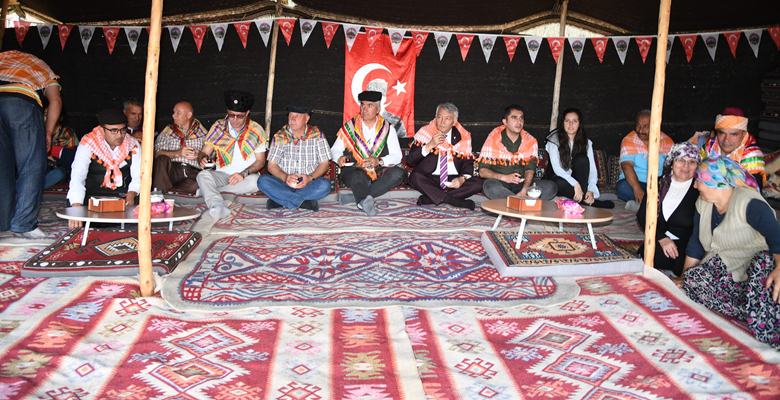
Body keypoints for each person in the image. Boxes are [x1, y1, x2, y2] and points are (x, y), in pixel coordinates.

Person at [682, 156, 779, 349]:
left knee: (763, 266)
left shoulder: (749, 204)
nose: (695, 186)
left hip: (754, 269)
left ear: (716, 183)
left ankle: (759, 311)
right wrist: (685, 277)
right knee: (693, 281)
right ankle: (749, 307)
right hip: (725, 268)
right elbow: (696, 243)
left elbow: (776, 237)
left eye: (699, 180)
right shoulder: (703, 203)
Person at [0, 50, 62, 238]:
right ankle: (23, 224)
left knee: (2, 167)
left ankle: (3, 222)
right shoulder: (41, 67)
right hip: (21, 102)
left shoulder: (2, 59)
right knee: (32, 164)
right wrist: (48, 132)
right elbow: (55, 101)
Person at [331, 90, 406, 216]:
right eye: (363, 105)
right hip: (355, 170)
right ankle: (363, 198)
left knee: (398, 173)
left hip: (377, 170)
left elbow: (397, 156)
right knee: (357, 176)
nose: (364, 109)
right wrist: (339, 158)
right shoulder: (350, 127)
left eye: (369, 105)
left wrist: (379, 161)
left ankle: (359, 198)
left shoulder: (388, 129)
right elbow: (335, 150)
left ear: (378, 108)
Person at [197, 90, 267, 220]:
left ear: (247, 113)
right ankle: (218, 206)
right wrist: (202, 159)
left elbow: (260, 162)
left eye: (239, 116)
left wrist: (243, 174)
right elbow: (204, 152)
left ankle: (211, 192)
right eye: (231, 115)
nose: (234, 119)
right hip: (222, 174)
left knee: (257, 182)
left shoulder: (256, 130)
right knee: (202, 176)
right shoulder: (218, 126)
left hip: (245, 176)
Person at [66, 109, 141, 229]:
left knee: (144, 206)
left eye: (122, 130)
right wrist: (76, 208)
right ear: (102, 130)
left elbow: (139, 176)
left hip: (122, 197)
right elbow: (77, 177)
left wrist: (132, 194)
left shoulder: (133, 144)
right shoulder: (88, 143)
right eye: (113, 131)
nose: (120, 135)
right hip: (92, 197)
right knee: (80, 214)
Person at [637, 142, 700, 276]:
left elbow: (700, 231)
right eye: (681, 160)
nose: (686, 166)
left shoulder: (700, 189)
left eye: (692, 162)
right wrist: (662, 238)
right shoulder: (659, 183)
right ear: (672, 162)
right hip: (659, 240)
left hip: (686, 247)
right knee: (646, 254)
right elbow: (643, 216)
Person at [406, 102, 482, 210]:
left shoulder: (463, 136)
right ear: (435, 117)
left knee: (478, 183)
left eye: (447, 118)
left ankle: (432, 198)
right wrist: (430, 145)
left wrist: (462, 179)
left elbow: (468, 163)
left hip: (453, 179)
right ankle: (455, 201)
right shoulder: (425, 132)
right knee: (415, 177)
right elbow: (410, 161)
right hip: (430, 178)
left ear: (454, 121)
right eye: (439, 117)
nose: (442, 122)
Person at [257, 106, 331, 211]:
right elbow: (271, 166)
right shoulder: (280, 136)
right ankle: (303, 202)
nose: (292, 119)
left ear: (307, 118)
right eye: (290, 116)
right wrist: (285, 177)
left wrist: (310, 178)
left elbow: (324, 163)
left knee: (325, 185)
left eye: (297, 116)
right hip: (284, 183)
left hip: (309, 183)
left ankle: (280, 200)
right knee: (262, 181)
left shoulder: (317, 135)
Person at [479, 105, 556, 201]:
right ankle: (521, 202)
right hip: (500, 183)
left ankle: (512, 202)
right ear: (505, 122)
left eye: (521, 118)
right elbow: (482, 171)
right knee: (489, 186)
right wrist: (504, 177)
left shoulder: (530, 141)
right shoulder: (493, 138)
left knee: (551, 187)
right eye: (514, 118)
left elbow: (530, 170)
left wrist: (525, 189)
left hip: (523, 184)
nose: (519, 122)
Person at [545, 108, 613, 208]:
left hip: (579, 183)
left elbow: (592, 170)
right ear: (562, 123)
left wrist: (591, 190)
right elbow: (557, 169)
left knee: (582, 159)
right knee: (558, 184)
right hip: (559, 178)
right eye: (567, 121)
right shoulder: (554, 140)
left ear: (579, 123)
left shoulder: (586, 142)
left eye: (574, 121)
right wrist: (575, 184)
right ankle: (588, 202)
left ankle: (585, 197)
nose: (570, 124)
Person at [616, 109, 674, 210]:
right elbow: (626, 166)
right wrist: (637, 189)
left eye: (645, 126)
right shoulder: (629, 140)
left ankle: (641, 206)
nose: (640, 130)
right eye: (638, 125)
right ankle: (651, 206)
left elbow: (671, 167)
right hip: (636, 182)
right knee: (622, 188)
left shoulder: (667, 141)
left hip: (657, 183)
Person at [693, 111, 765, 190]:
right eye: (722, 133)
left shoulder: (752, 157)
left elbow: (753, 194)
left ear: (744, 134)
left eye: (733, 134)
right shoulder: (710, 145)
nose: (726, 140)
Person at [153, 101, 207, 194]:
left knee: (200, 184)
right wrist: (178, 153)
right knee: (161, 160)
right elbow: (157, 153)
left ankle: (170, 193)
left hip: (192, 172)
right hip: (172, 171)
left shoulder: (203, 134)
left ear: (188, 115)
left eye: (178, 113)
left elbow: (211, 157)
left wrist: (199, 156)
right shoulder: (167, 131)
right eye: (174, 112)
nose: (174, 116)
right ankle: (159, 195)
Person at [44, 110, 78, 189]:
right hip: (43, 168)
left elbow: (73, 159)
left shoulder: (67, 133)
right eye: (45, 114)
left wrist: (51, 152)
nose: (46, 118)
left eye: (49, 114)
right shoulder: (38, 131)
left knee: (59, 173)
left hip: (60, 168)